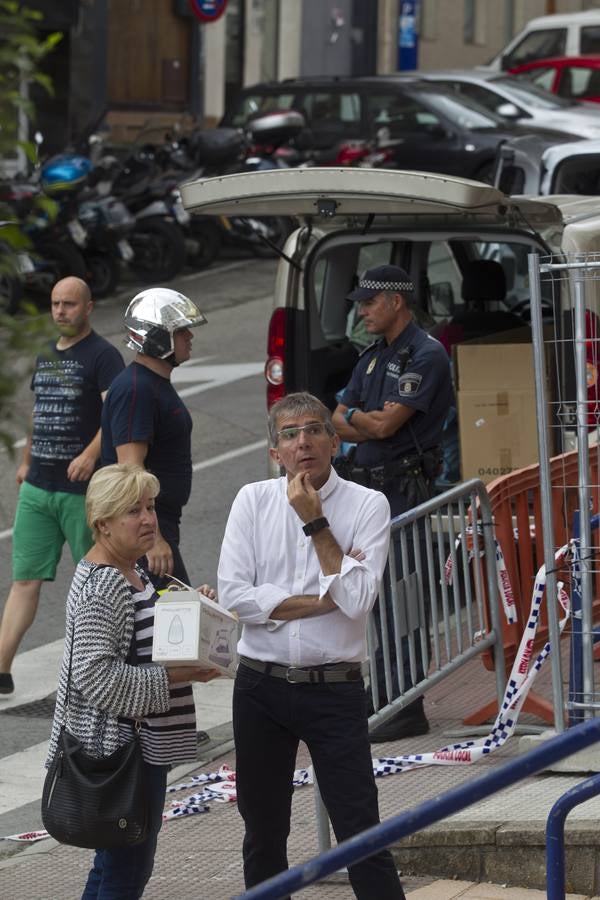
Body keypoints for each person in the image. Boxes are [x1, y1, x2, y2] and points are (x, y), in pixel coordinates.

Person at [218, 392, 405, 900]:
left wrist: (316, 522)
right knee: (263, 833)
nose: (303, 442)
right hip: (261, 687)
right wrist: (327, 597)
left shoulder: (369, 504)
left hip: (334, 689)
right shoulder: (252, 501)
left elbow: (360, 598)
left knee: (361, 831)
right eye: (290, 433)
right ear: (274, 449)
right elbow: (236, 595)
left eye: (314, 430)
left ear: (334, 441)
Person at [45, 463, 219, 899]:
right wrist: (182, 675)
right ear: (103, 524)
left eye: (149, 506)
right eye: (132, 511)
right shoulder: (104, 585)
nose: (147, 519)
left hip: (135, 750)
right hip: (119, 755)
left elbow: (143, 639)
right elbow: (96, 678)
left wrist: (192, 610)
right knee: (126, 874)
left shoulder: (132, 569)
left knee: (111, 868)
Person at [332, 264, 453, 742]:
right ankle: (383, 690)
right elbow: (336, 418)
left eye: (368, 302)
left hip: (403, 491)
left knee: (402, 595)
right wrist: (366, 418)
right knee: (373, 596)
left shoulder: (426, 355)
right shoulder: (372, 358)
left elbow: (385, 427)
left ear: (396, 301)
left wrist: (361, 419)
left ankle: (406, 702)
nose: (361, 311)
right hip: (369, 492)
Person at [0, 276, 124, 696]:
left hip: (81, 492)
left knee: (96, 580)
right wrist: (26, 460)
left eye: (69, 304)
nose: (60, 311)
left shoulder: (103, 356)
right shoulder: (45, 354)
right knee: (24, 580)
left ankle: (101, 668)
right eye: (55, 304)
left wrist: (91, 454)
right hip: (39, 487)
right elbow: (40, 410)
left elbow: (115, 418)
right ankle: (1, 670)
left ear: (88, 307)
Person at [101, 287, 207, 589]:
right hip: (146, 531)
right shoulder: (136, 389)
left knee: (168, 622)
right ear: (158, 336)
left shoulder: (152, 383)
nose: (190, 337)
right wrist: (153, 538)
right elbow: (130, 470)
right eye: (182, 331)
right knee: (176, 626)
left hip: (157, 523)